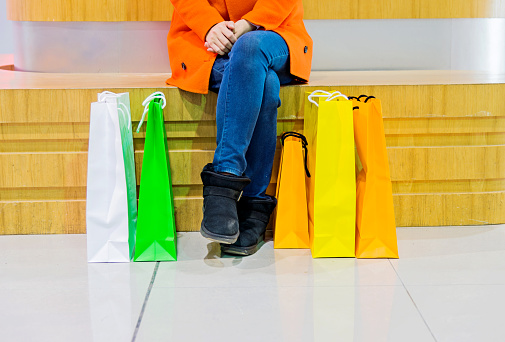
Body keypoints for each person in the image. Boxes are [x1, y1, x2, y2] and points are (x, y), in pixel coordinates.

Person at [166, 0, 312, 255]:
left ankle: (224, 182)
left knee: (249, 46)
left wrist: (248, 24)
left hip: (274, 31)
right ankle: (254, 204)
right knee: (265, 83)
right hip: (205, 41)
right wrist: (210, 26)